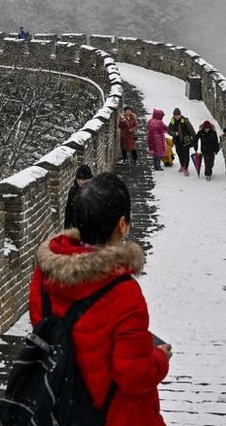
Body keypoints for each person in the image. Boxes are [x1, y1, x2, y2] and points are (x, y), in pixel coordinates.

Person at [31, 173, 171, 425]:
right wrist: (159, 358)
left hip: (57, 406)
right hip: (110, 414)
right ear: (122, 224)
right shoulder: (123, 292)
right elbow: (133, 375)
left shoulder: (45, 274)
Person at [168, 108, 196, 176]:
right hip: (177, 141)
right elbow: (169, 131)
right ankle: (182, 165)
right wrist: (175, 134)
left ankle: (186, 168)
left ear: (180, 115)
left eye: (178, 115)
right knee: (180, 154)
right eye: (175, 115)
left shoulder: (185, 121)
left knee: (186, 155)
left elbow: (191, 130)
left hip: (186, 141)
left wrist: (195, 138)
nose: (177, 116)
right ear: (174, 115)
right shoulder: (172, 122)